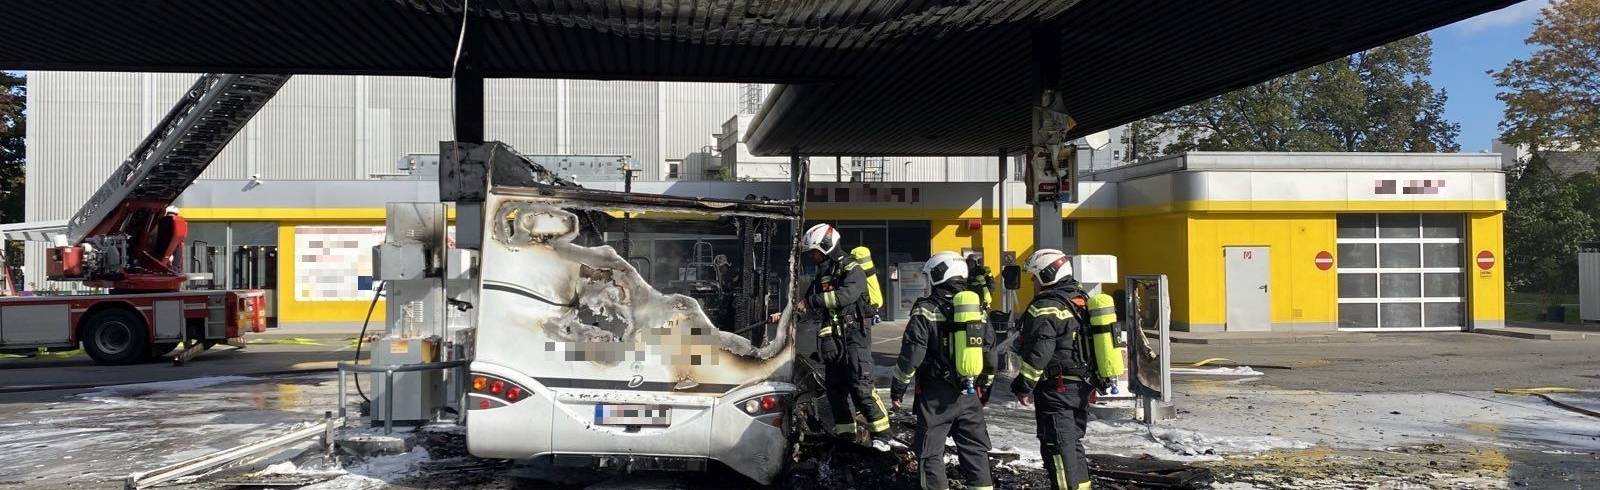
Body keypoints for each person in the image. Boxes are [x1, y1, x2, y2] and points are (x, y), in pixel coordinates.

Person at [890, 253, 996, 490]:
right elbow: (989, 352)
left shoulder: (925, 309)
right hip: (969, 392)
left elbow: (912, 356)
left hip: (936, 394)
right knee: (975, 450)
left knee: (930, 453)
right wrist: (985, 386)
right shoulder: (976, 308)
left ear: (939, 275)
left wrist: (898, 389)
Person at [799, 223, 893, 451]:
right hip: (834, 341)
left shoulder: (852, 268)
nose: (812, 257)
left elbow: (846, 296)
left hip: (855, 337)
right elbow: (808, 299)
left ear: (827, 246)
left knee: (861, 387)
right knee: (835, 389)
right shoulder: (824, 272)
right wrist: (787, 312)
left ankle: (883, 436)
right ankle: (846, 435)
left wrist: (812, 302)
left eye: (814, 252)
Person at [1011, 248, 1095, 490]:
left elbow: (1039, 352)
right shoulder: (1080, 300)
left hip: (1056, 389)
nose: (1033, 283)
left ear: (1047, 275)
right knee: (1073, 445)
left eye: (1034, 277)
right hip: (1080, 386)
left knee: (1057, 448)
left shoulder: (1046, 306)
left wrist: (1022, 385)